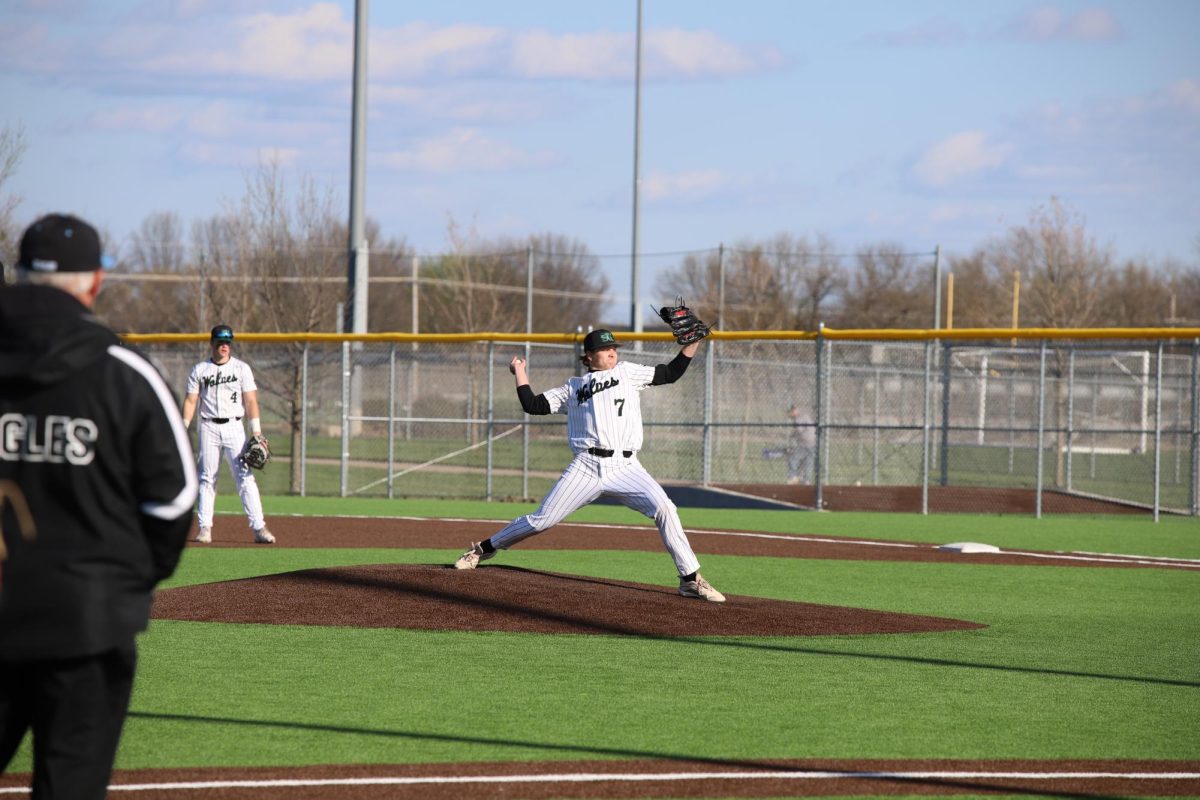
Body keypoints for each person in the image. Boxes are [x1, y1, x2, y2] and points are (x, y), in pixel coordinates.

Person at [0, 213, 198, 798]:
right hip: (86, 622)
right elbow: (173, 502)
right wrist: (123, 585)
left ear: (18, 275)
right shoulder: (124, 374)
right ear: (96, 282)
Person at [454, 328, 725, 602]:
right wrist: (519, 371)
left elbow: (671, 373)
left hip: (626, 466)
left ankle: (690, 580)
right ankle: (482, 549)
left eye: (614, 348)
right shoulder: (572, 388)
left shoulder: (627, 373)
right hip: (586, 465)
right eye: (606, 349)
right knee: (541, 521)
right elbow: (533, 404)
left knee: (666, 508)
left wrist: (693, 342)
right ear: (589, 356)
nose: (613, 352)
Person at [181, 325, 275, 544]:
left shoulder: (241, 369)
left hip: (235, 426)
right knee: (206, 478)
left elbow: (250, 400)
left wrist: (257, 431)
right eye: (220, 342)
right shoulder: (200, 370)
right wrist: (182, 428)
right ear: (211, 343)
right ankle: (205, 529)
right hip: (208, 427)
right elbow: (190, 401)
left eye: (228, 342)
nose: (224, 346)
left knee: (244, 476)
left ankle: (259, 528)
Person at [785, 404, 817, 485]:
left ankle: (792, 477)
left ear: (794, 411)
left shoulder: (798, 419)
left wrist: (792, 435)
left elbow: (799, 431)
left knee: (793, 458)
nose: (789, 415)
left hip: (804, 442)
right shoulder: (806, 416)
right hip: (812, 442)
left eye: (790, 412)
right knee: (808, 462)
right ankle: (806, 480)